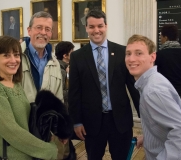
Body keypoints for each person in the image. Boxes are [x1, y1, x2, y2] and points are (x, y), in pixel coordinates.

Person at [68, 9, 140, 160]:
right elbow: (74, 92)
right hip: (91, 123)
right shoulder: (77, 57)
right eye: (92, 26)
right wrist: (77, 122)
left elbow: (133, 87)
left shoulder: (122, 52)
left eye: (100, 26)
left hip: (120, 121)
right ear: (86, 28)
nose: (96, 30)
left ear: (106, 26)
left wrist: (145, 119)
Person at [0, 35, 58, 160]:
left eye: (16, 55)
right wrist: (47, 149)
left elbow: (25, 123)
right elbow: (11, 130)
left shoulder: (16, 85)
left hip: (28, 155)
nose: (13, 60)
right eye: (6, 55)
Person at [125, 34, 181, 159]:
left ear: (152, 56)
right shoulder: (152, 82)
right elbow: (165, 126)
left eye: (139, 53)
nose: (131, 59)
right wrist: (148, 137)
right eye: (128, 53)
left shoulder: (152, 91)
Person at [21, 11, 75, 160]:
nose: (43, 33)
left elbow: (58, 98)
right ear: (29, 30)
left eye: (48, 29)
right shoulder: (16, 58)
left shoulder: (55, 63)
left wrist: (61, 128)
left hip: (45, 129)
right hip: (21, 127)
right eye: (39, 27)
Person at [155, 24, 181, 105]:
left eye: (161, 36)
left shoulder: (159, 55)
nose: (160, 39)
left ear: (166, 37)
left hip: (164, 95)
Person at [55, 41, 74, 109]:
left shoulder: (64, 67)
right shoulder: (61, 71)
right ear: (65, 56)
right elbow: (61, 92)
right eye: (72, 53)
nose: (74, 55)